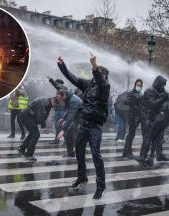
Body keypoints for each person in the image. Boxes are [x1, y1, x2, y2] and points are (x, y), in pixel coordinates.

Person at [57, 54, 110, 200]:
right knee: (78, 152)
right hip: (84, 123)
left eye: (99, 75)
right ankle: (82, 178)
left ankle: (101, 186)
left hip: (95, 127)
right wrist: (62, 65)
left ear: (103, 77)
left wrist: (94, 66)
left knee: (96, 155)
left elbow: (100, 80)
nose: (96, 77)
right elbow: (72, 78)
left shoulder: (105, 88)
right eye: (96, 74)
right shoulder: (87, 85)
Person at [136, 75, 169, 166]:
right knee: (147, 138)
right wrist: (162, 98)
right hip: (147, 118)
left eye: (164, 85)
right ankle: (142, 156)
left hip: (156, 118)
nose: (163, 87)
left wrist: (163, 108)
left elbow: (165, 103)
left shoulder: (161, 92)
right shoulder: (149, 91)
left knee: (157, 138)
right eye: (162, 85)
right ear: (158, 83)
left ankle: (153, 157)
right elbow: (152, 104)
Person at [18, 96, 58, 162]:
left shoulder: (48, 102)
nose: (56, 106)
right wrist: (43, 123)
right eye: (56, 104)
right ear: (53, 101)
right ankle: (29, 155)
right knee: (36, 135)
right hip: (27, 116)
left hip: (27, 115)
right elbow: (40, 116)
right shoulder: (46, 103)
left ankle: (22, 148)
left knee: (32, 133)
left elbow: (40, 115)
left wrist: (42, 122)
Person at [122, 79, 146, 159]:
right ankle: (128, 152)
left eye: (140, 85)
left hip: (137, 116)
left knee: (131, 134)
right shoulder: (131, 93)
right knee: (131, 134)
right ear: (135, 85)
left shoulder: (141, 94)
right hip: (131, 115)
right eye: (137, 85)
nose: (138, 86)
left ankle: (125, 152)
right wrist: (133, 101)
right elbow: (126, 101)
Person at [56, 89, 82, 157]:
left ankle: (81, 156)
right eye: (58, 98)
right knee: (68, 133)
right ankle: (70, 153)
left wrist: (62, 130)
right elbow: (69, 110)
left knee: (75, 137)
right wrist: (63, 118)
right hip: (75, 118)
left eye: (60, 98)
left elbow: (70, 117)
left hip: (81, 119)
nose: (60, 100)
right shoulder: (68, 98)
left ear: (64, 95)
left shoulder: (73, 100)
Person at [46, 76, 67, 144]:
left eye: (56, 83)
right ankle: (57, 140)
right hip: (58, 110)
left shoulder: (62, 88)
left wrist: (50, 79)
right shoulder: (61, 90)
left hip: (61, 111)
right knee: (57, 126)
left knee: (58, 126)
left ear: (60, 84)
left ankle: (66, 140)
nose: (56, 85)